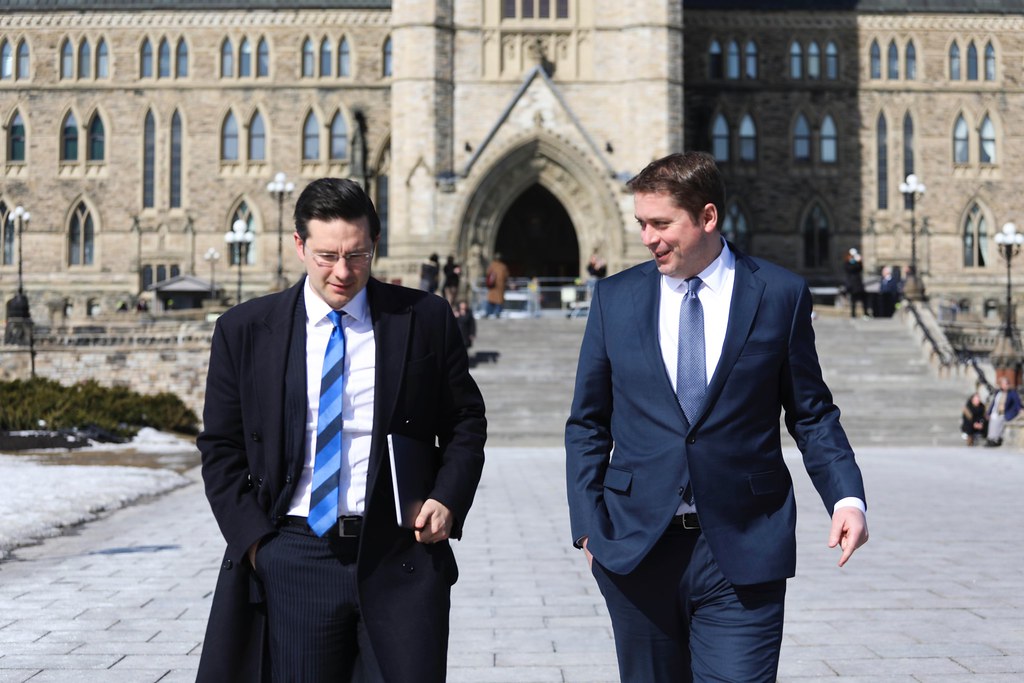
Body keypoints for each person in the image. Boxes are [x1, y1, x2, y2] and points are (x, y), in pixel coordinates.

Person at [565, 151, 868, 683]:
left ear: (707, 217)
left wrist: (846, 497)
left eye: (662, 224)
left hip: (744, 547)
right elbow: (588, 424)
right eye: (641, 224)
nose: (648, 238)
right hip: (636, 551)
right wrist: (590, 530)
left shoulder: (779, 295)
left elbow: (812, 413)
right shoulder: (615, 298)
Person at [196, 178, 487, 682]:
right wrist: (257, 546)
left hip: (400, 554)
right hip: (295, 553)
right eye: (327, 255)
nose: (342, 271)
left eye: (357, 255)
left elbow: (465, 421)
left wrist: (448, 497)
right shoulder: (244, 330)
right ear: (299, 245)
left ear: (375, 244)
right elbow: (220, 446)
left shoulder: (425, 318)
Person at [985, 376, 1021, 447]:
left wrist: (1020, 409)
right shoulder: (998, 393)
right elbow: (993, 403)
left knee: (998, 421)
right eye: (1004, 384)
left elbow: (1017, 402)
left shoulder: (1012, 393)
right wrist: (988, 413)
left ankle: (995, 439)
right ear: (1001, 385)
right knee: (993, 419)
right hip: (996, 412)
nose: (1006, 385)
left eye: (1007, 384)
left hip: (1005, 413)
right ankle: (990, 438)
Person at [484, 252, 510, 318]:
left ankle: (488, 312)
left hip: (493, 285)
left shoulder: (492, 265)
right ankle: (497, 313)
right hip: (500, 286)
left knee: (491, 300)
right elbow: (506, 276)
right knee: (498, 300)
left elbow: (487, 273)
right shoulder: (503, 266)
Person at [844, 247, 868, 318]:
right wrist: (856, 262)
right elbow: (850, 269)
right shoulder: (848, 262)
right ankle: (853, 314)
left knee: (863, 299)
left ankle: (865, 313)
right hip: (852, 285)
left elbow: (860, 269)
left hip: (858, 284)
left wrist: (859, 262)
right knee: (853, 300)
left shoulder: (856, 262)